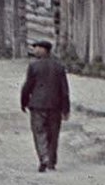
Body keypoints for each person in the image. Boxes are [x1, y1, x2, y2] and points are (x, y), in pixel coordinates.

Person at [20, 39, 71, 171]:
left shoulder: (34, 66)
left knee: (39, 132)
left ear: (45, 50)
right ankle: (51, 162)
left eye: (38, 48)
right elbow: (65, 90)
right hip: (55, 105)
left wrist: (24, 101)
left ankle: (44, 157)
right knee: (53, 134)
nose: (35, 50)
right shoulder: (59, 67)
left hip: (37, 105)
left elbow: (28, 86)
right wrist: (66, 109)